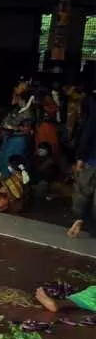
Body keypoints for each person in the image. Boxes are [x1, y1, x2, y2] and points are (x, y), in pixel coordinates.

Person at [70, 91, 96, 238]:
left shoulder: (92, 107)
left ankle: (79, 219)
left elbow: (89, 133)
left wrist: (81, 157)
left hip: (92, 159)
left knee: (83, 191)